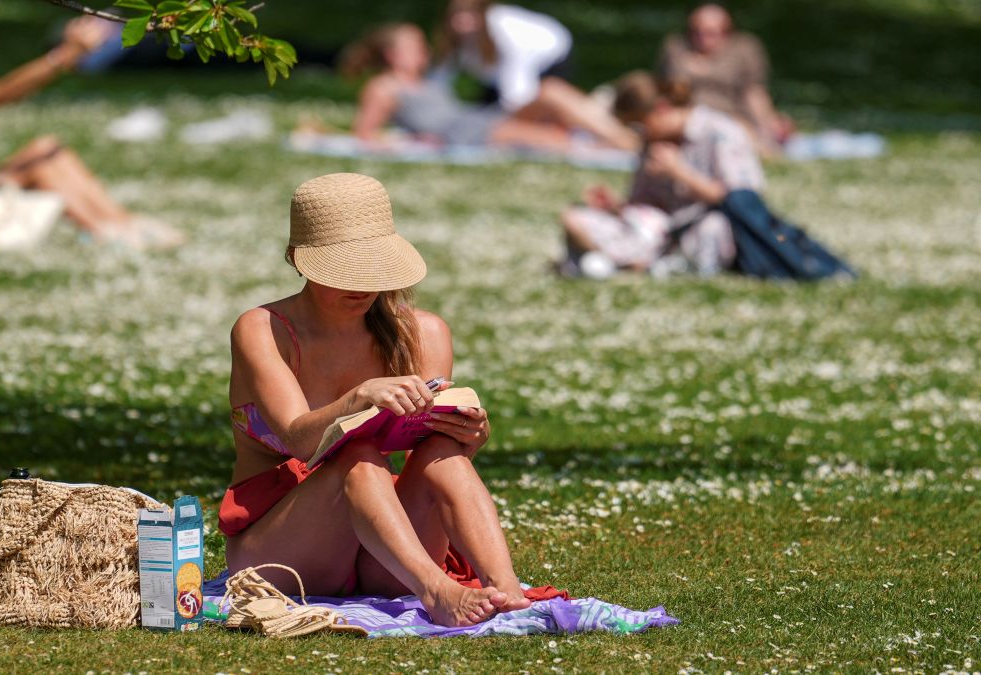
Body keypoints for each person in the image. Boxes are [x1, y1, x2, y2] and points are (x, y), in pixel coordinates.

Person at [221, 172, 534, 627]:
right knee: (359, 456)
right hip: (283, 555)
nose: (362, 285)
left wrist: (469, 436)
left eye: (373, 268)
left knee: (443, 452)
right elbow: (298, 439)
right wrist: (359, 398)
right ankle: (438, 591)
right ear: (297, 259)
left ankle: (506, 589)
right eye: (343, 270)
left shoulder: (423, 333)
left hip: (385, 552)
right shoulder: (263, 329)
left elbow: (425, 449)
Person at [0, 13, 183, 248]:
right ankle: (107, 233)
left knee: (46, 148)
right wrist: (65, 55)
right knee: (41, 164)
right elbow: (3, 93)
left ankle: (121, 223)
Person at [559, 71, 765, 277]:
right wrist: (614, 207)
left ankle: (625, 263)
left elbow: (742, 200)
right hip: (658, 233)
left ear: (661, 109)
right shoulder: (652, 143)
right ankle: (629, 263)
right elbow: (644, 207)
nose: (639, 134)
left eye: (639, 126)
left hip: (705, 228)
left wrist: (680, 173)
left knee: (713, 225)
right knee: (575, 218)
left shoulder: (720, 131)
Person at [342, 23, 638, 152]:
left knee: (551, 91)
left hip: (478, 120)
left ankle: (624, 138)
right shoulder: (383, 87)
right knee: (557, 139)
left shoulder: (428, 79)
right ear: (393, 54)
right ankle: (627, 143)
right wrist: (406, 143)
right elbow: (365, 134)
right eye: (415, 46)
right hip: (462, 134)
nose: (424, 51)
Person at [657, 4, 793, 154]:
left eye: (710, 33)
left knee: (743, 136)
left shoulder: (743, 48)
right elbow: (666, 90)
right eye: (696, 32)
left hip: (730, 115)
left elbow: (754, 93)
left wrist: (768, 122)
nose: (702, 38)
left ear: (726, 32)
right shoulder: (676, 48)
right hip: (688, 114)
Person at [434, 0, 572, 112]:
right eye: (458, 17)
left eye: (469, 17)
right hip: (501, 79)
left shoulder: (505, 29)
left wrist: (515, 111)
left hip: (549, 60)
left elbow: (518, 77)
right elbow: (441, 76)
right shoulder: (456, 42)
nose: (464, 24)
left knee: (542, 106)